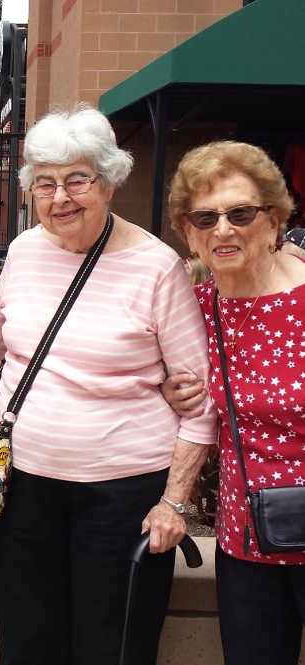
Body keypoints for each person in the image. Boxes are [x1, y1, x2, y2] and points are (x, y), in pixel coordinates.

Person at [0, 104, 217, 665]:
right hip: (25, 487)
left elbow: (200, 400)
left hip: (125, 493)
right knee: (27, 640)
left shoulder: (156, 266)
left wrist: (175, 502)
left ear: (108, 183)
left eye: (77, 180)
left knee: (113, 645)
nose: (60, 197)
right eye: (45, 184)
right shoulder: (22, 250)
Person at [162, 141, 305, 665]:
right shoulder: (194, 309)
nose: (222, 229)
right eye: (205, 217)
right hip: (246, 534)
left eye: (240, 213)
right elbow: (184, 390)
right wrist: (168, 389)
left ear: (273, 220)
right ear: (189, 232)